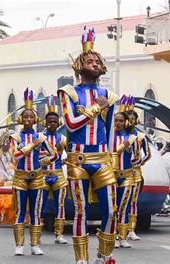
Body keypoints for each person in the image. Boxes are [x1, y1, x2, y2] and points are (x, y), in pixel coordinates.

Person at [58, 27, 119, 264]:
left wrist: (113, 160)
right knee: (81, 211)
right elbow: (72, 125)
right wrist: (96, 108)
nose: (94, 64)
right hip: (78, 159)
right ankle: (81, 259)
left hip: (102, 159)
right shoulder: (69, 92)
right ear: (79, 66)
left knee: (111, 211)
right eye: (89, 60)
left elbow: (112, 130)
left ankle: (104, 255)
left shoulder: (109, 95)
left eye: (97, 61)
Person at [10, 88, 56, 256]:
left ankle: (35, 244)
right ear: (21, 119)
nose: (29, 119)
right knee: (20, 211)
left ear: (36, 119)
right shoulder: (16, 137)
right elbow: (15, 155)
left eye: (31, 117)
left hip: (36, 176)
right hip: (21, 177)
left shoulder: (41, 137)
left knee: (36, 212)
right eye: (26, 117)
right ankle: (19, 245)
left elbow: (54, 155)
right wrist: (31, 146)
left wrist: (40, 162)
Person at [40, 95, 69, 245]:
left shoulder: (63, 138)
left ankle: (59, 234)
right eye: (50, 121)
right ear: (45, 122)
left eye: (54, 121)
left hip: (58, 175)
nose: (52, 123)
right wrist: (53, 152)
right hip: (43, 175)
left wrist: (63, 160)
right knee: (39, 205)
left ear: (59, 123)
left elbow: (70, 155)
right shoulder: (40, 138)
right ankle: (36, 235)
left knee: (61, 205)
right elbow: (37, 158)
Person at [111, 96, 136, 248]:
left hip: (126, 176)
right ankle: (112, 236)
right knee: (112, 208)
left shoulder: (132, 138)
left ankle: (123, 237)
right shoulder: (108, 138)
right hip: (111, 176)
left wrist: (132, 155)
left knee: (123, 207)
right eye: (116, 120)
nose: (118, 123)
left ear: (126, 122)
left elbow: (138, 158)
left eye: (121, 121)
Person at [126, 98, 151, 241]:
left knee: (133, 201)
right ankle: (119, 229)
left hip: (135, 172)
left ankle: (131, 230)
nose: (130, 121)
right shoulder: (118, 135)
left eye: (133, 118)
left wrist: (139, 162)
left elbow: (148, 154)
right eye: (128, 119)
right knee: (119, 201)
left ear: (136, 120)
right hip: (120, 172)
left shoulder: (141, 136)